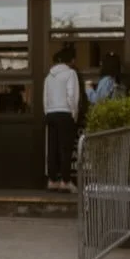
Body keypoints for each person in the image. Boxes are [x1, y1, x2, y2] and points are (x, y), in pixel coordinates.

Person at [44, 45, 79, 192]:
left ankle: (52, 180)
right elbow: (72, 95)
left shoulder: (49, 76)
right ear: (70, 61)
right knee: (65, 148)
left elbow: (45, 98)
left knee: (52, 147)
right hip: (65, 113)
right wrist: (74, 113)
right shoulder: (70, 74)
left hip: (50, 114)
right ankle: (66, 180)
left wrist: (47, 112)